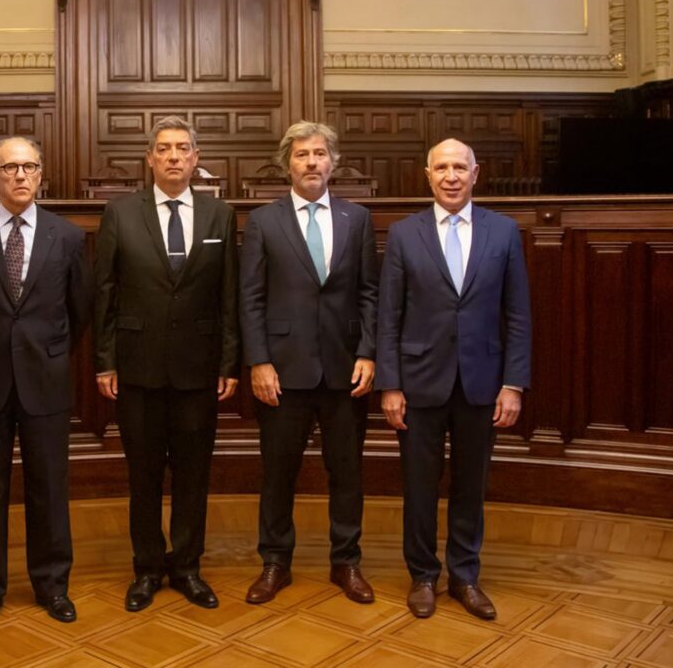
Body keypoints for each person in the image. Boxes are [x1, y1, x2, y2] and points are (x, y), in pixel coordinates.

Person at [376, 138, 532, 620]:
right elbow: (388, 315)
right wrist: (391, 385)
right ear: (427, 175)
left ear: (476, 173)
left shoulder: (503, 232)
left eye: (459, 167)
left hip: (482, 384)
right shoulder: (404, 234)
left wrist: (514, 383)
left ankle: (465, 576)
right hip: (418, 383)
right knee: (419, 486)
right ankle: (423, 575)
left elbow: (518, 315)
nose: (450, 176)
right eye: (441, 167)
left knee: (471, 485)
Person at [94, 116, 239, 611]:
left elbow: (229, 296)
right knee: (144, 475)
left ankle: (188, 567)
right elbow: (105, 293)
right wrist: (105, 361)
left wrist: (229, 362)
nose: (174, 156)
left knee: (194, 475)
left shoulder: (221, 214)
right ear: (150, 159)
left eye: (183, 148)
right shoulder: (120, 212)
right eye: (164, 148)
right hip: (137, 368)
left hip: (200, 370)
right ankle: (147, 568)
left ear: (196, 159)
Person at [0, 136, 92, 630]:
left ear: (41, 174)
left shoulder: (67, 237)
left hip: (46, 381)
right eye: (9, 168)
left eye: (29, 166)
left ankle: (52, 586)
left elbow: (79, 312)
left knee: (49, 489)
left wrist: (48, 354)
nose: (20, 176)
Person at [240, 121, 379, 605]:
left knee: (347, 472)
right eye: (302, 155)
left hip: (345, 370)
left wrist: (368, 351)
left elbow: (368, 292)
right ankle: (275, 562)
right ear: (288, 165)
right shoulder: (263, 221)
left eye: (320, 153)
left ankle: (347, 562)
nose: (312, 162)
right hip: (282, 370)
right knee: (278, 473)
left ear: (333, 162)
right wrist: (258, 360)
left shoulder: (357, 219)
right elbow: (251, 299)